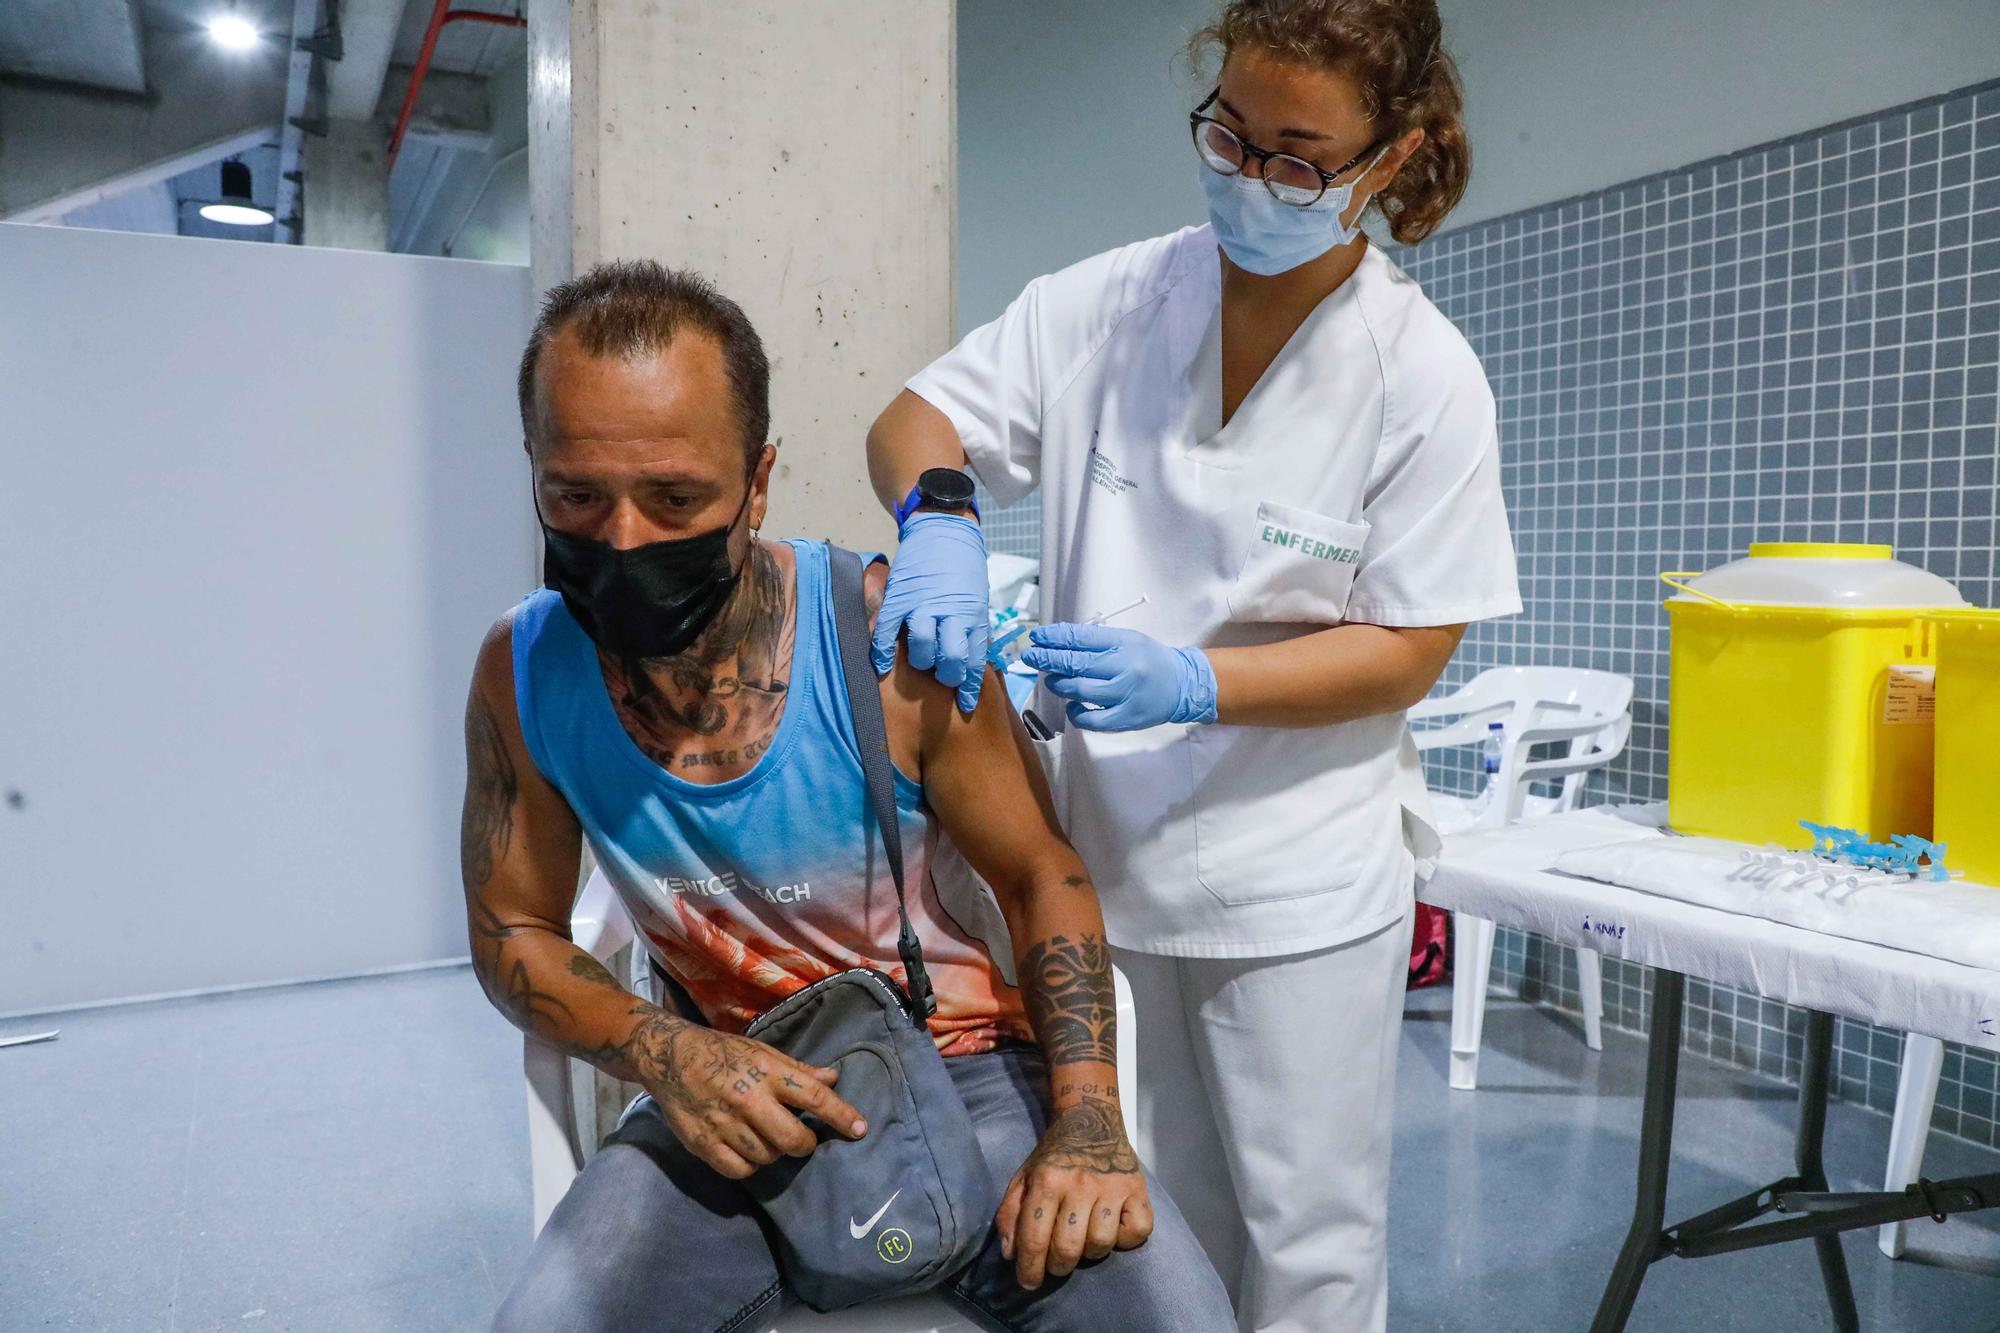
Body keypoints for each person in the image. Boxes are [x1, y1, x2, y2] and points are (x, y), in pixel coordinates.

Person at [865, 3, 1520, 1330]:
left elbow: (1413, 644)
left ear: (1386, 162)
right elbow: (916, 415)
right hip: (1093, 861)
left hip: (1295, 885)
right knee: (1129, 1230)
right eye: (1229, 132)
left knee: (1308, 1247)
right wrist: (936, 515)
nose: (1251, 176)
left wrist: (1199, 682)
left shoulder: (1422, 377)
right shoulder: (1105, 303)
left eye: (1298, 156)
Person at [466, 261, 1235, 1333]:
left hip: (962, 1072)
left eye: (677, 497)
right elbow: (514, 928)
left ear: (758, 480)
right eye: (575, 497)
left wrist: (1091, 1118)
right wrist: (662, 1050)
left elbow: (1040, 874)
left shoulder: (883, 646)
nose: (625, 540)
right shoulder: (523, 670)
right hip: (718, 1095)